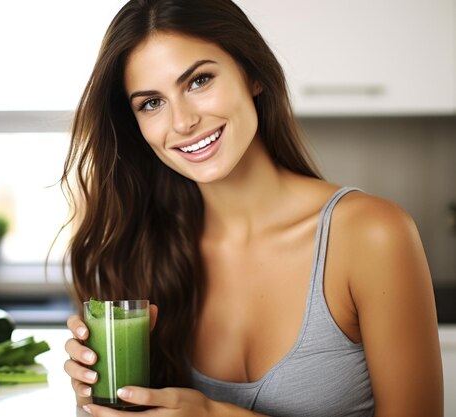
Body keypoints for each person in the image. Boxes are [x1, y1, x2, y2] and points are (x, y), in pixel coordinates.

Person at [60, 0, 444, 416]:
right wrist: (95, 397)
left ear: (253, 74)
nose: (182, 122)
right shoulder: (141, 248)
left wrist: (215, 414)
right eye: (151, 103)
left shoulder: (370, 234)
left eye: (199, 80)